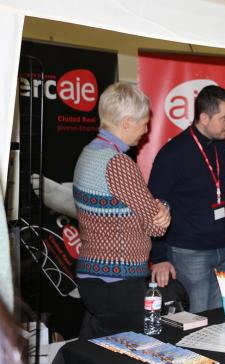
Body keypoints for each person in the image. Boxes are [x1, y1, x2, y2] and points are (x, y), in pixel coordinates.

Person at [73, 83, 171, 338]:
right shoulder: (118, 163)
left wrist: (151, 209)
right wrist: (164, 207)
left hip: (92, 276)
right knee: (127, 357)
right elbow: (157, 226)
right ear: (127, 122)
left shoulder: (87, 152)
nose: (146, 130)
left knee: (99, 350)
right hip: (118, 282)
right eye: (144, 123)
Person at [149, 85, 225, 313]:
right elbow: (153, 206)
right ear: (204, 117)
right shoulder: (173, 153)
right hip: (189, 253)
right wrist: (158, 257)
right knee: (194, 322)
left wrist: (223, 217)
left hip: (222, 249)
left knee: (222, 318)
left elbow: (215, 191)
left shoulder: (221, 147)